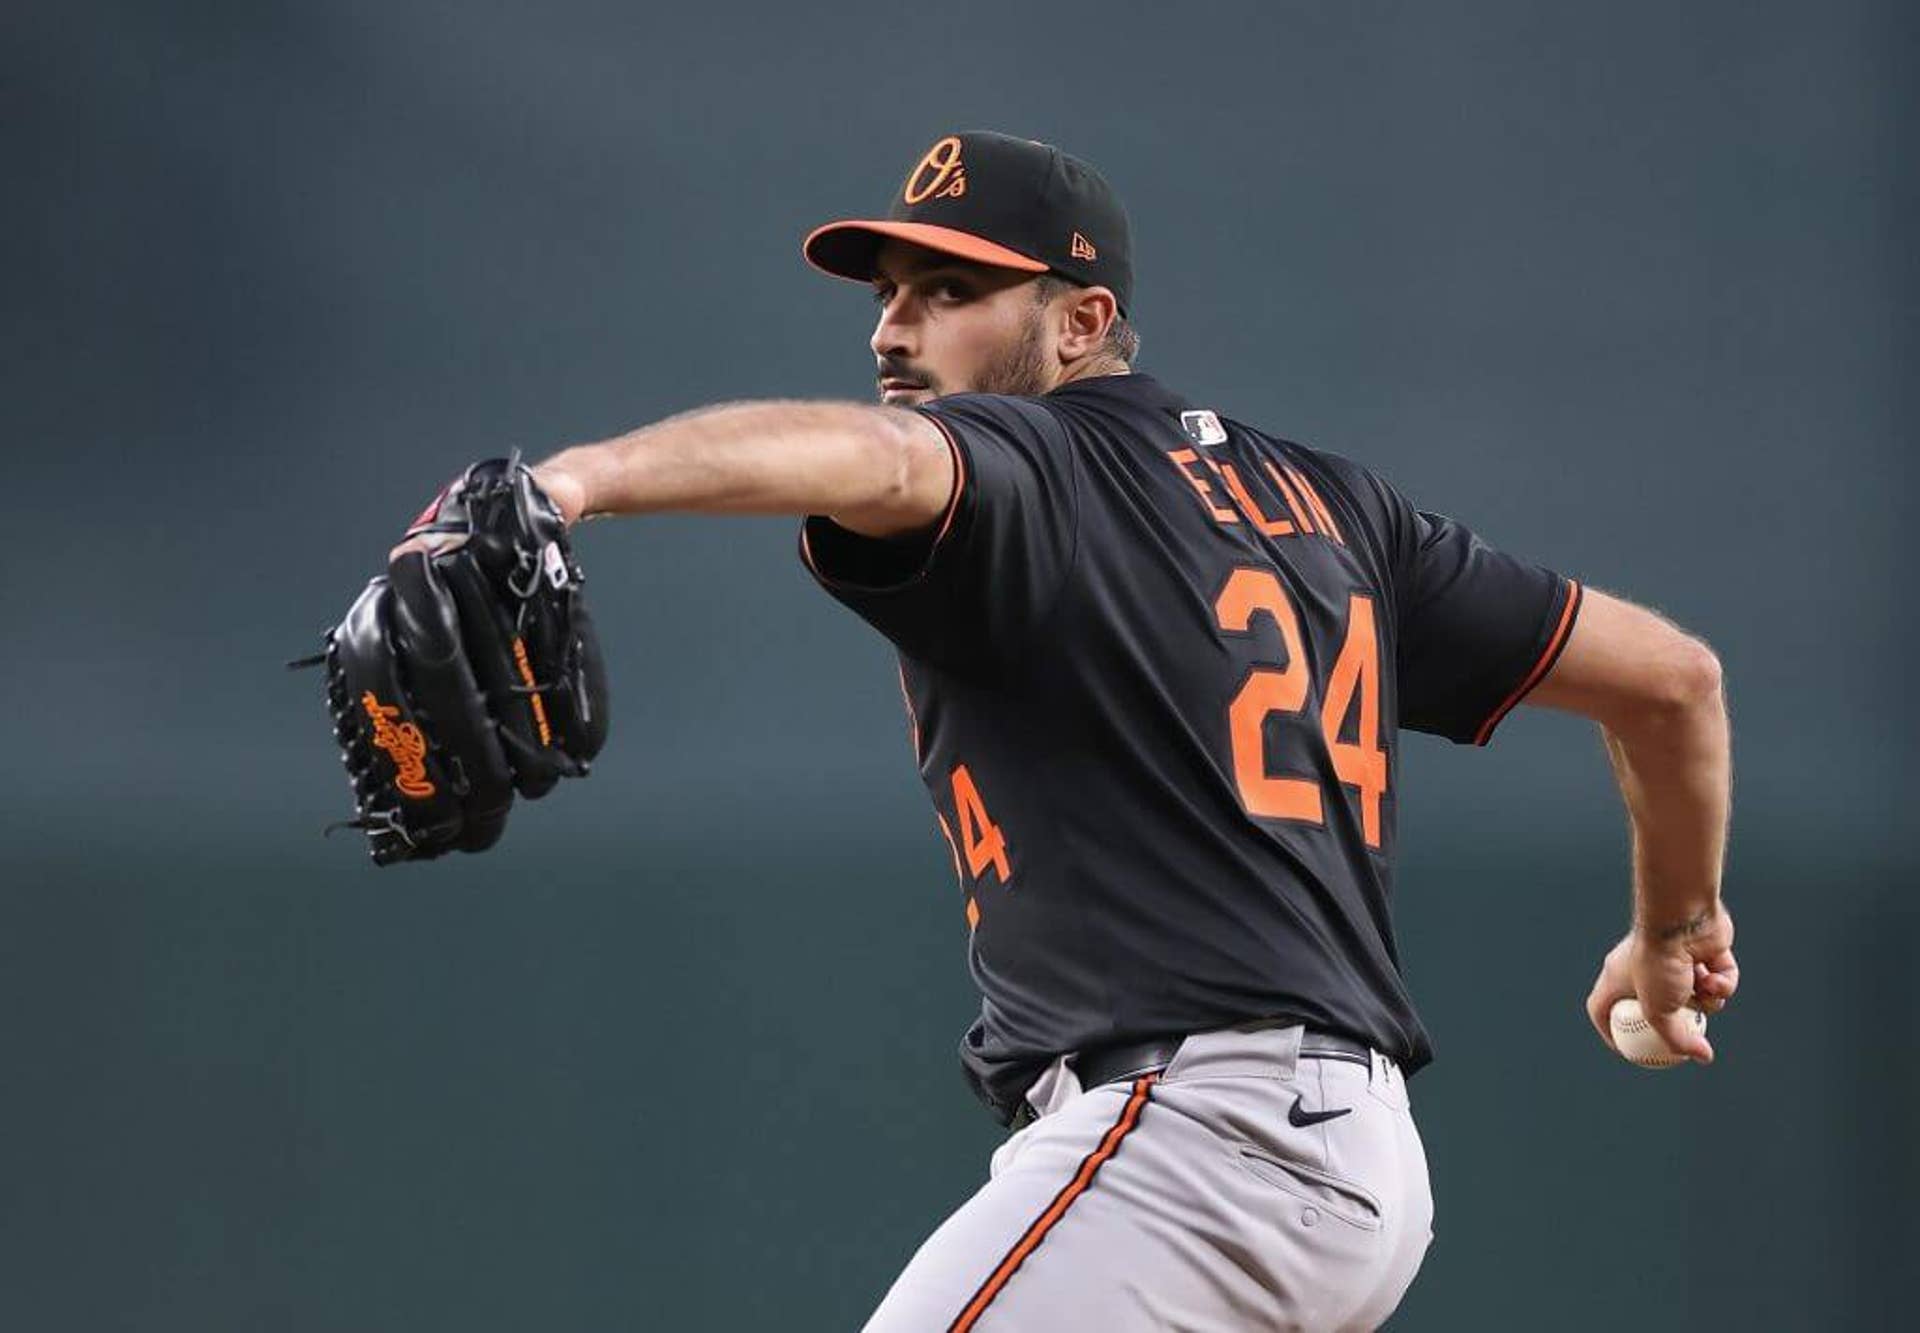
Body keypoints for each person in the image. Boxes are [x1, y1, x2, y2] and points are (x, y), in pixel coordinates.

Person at [510, 131, 1737, 1330]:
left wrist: (570, 484)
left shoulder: (1035, 459)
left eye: (952, 290)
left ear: (1081, 322)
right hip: (1343, 1168)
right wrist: (1673, 924)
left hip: (1200, 1144)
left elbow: (882, 462)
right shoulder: (1342, 512)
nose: (893, 330)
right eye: (891, 294)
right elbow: (1672, 682)